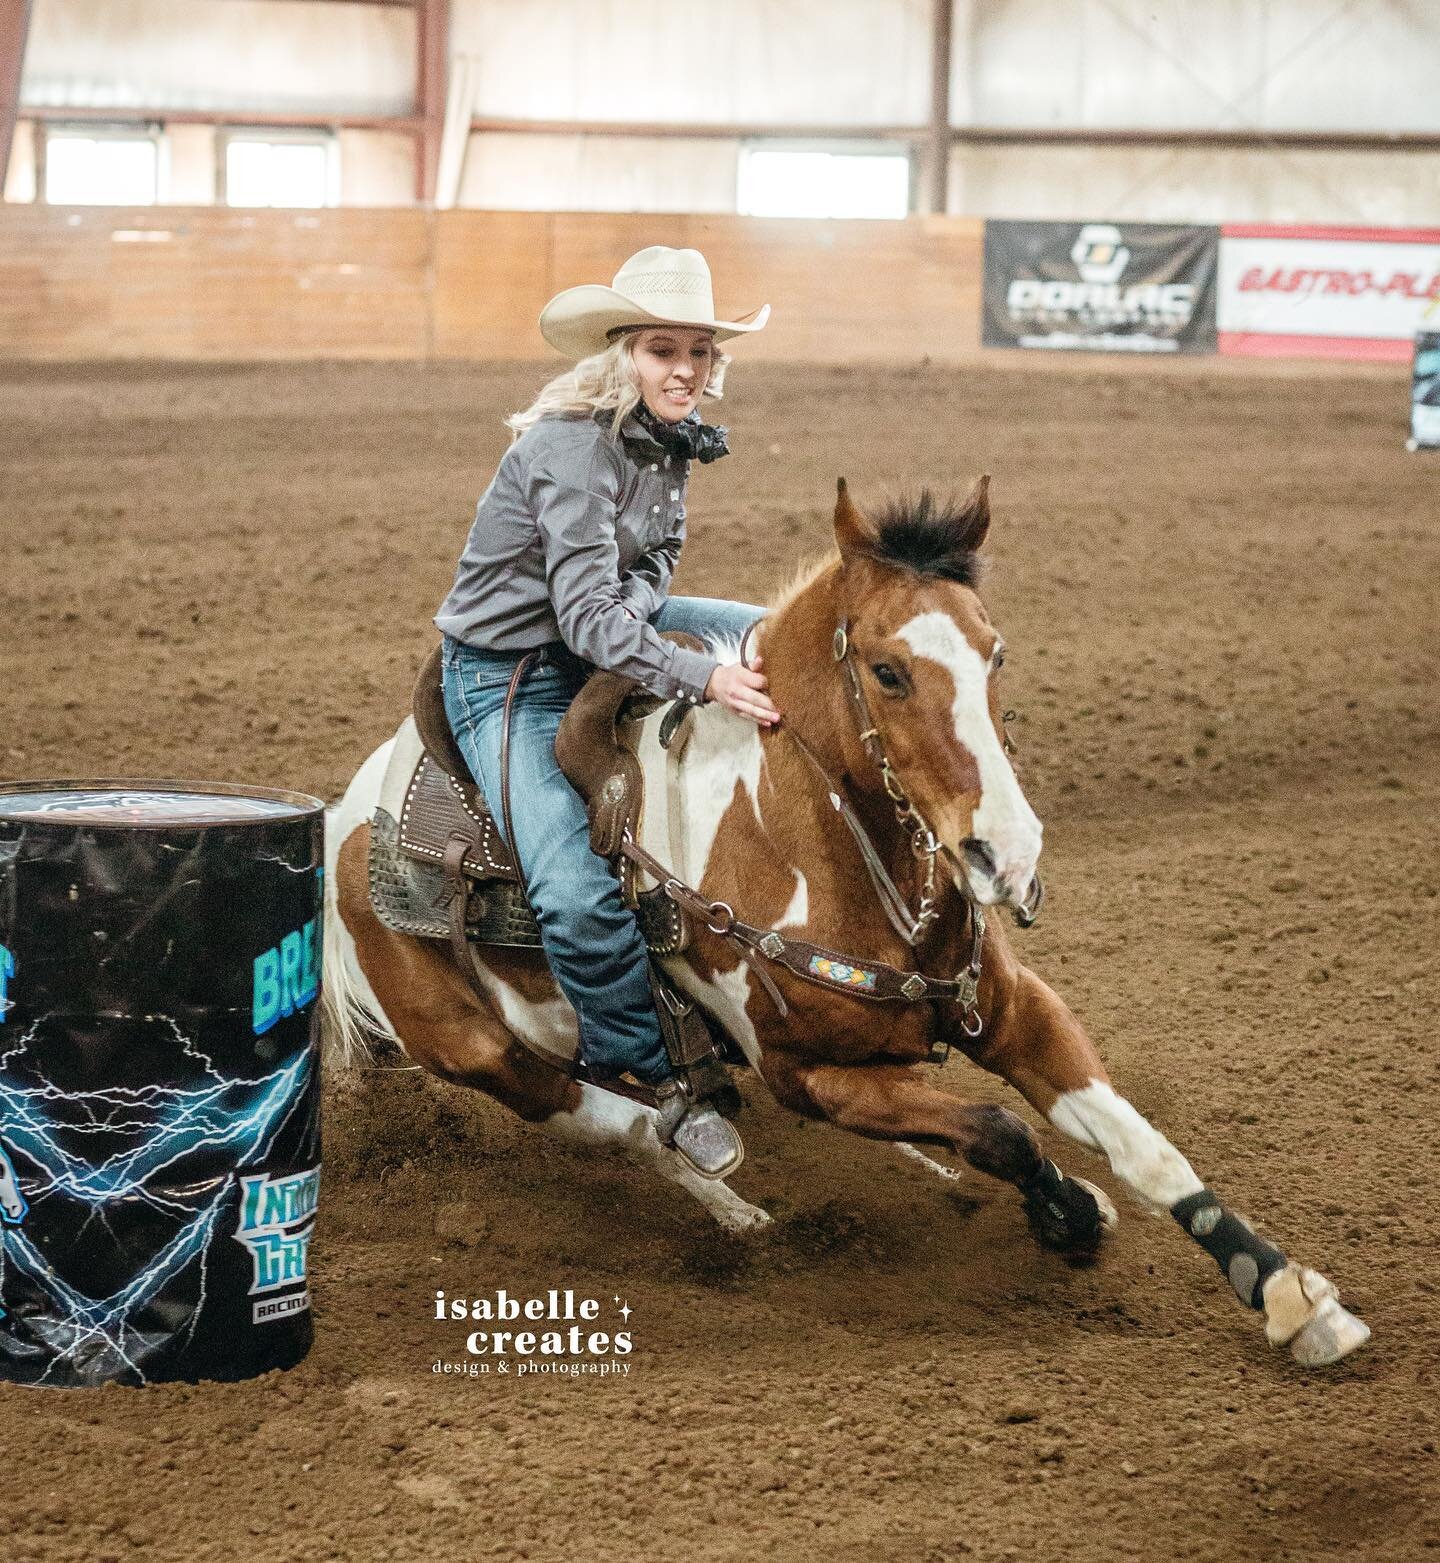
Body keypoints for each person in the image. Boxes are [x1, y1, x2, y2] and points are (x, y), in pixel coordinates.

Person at [435, 246, 780, 1180]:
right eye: (662, 349)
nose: (684, 370)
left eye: (699, 352)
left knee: (779, 639)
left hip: (601, 629)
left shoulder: (668, 439)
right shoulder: (571, 447)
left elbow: (655, 562)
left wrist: (666, 635)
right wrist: (695, 676)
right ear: (622, 354)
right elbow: (585, 615)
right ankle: (645, 1071)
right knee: (574, 894)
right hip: (505, 678)